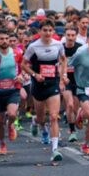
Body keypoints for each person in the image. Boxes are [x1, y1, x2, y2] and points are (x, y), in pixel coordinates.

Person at [22, 19, 67, 162]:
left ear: (53, 31)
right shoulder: (33, 46)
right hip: (38, 84)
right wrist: (35, 74)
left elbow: (63, 59)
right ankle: (37, 122)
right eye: (45, 30)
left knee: (54, 116)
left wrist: (62, 76)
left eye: (50, 30)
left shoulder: (58, 44)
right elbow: (24, 65)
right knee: (42, 118)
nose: (47, 33)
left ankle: (54, 149)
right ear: (40, 31)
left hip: (52, 83)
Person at [61, 26, 82, 142]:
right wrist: (62, 77)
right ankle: (72, 131)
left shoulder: (80, 48)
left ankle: (78, 118)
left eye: (73, 35)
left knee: (75, 107)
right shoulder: (61, 48)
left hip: (78, 80)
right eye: (68, 35)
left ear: (76, 36)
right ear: (65, 35)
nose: (70, 38)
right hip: (66, 80)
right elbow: (58, 63)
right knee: (69, 105)